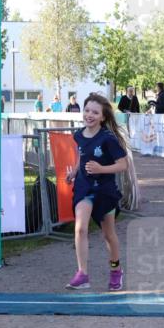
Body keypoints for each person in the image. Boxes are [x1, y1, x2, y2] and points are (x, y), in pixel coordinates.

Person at [64, 93, 130, 292]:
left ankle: (116, 270)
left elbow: (123, 164)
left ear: (102, 116)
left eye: (95, 112)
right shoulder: (78, 135)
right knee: (80, 228)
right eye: (87, 111)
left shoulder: (108, 138)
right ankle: (82, 274)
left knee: (108, 235)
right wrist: (74, 172)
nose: (89, 115)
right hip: (84, 188)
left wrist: (102, 169)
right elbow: (81, 157)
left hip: (105, 191)